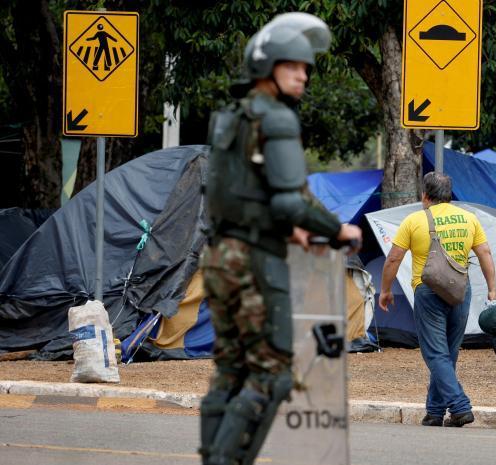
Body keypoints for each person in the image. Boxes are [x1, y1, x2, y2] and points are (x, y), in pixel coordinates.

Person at [198, 13, 362, 465]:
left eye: (306, 68)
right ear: (266, 66)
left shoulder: (232, 117)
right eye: (293, 66)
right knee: (273, 375)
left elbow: (242, 194)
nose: (303, 75)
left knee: (230, 372)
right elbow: (289, 201)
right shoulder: (278, 119)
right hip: (255, 261)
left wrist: (291, 229)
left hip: (220, 256)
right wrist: (337, 229)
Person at [378, 172, 496, 428]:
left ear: (425, 195)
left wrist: (385, 290)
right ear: (449, 195)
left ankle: (460, 407)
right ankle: (434, 412)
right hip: (461, 291)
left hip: (428, 291)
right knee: (447, 354)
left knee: (435, 353)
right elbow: (485, 252)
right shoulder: (469, 218)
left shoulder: (414, 220)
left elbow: (393, 258)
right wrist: (492, 289)